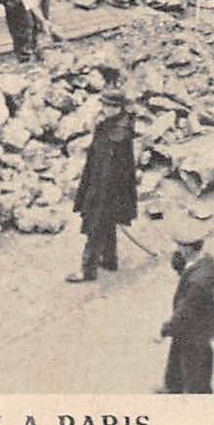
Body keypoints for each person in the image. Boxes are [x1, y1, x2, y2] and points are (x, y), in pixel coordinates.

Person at [66, 88, 137, 283]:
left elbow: (108, 169)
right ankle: (109, 259)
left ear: (118, 108)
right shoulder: (114, 125)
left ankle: (87, 270)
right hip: (107, 187)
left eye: (108, 106)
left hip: (105, 188)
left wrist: (97, 194)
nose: (104, 108)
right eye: (103, 104)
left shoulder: (117, 134)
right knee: (108, 222)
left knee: (95, 225)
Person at [159, 223, 214, 394]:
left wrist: (165, 329)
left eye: (180, 245)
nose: (177, 248)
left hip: (195, 330)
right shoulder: (205, 261)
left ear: (189, 249)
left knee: (197, 373)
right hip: (190, 327)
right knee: (177, 355)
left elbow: (185, 311)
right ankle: (173, 387)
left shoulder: (198, 282)